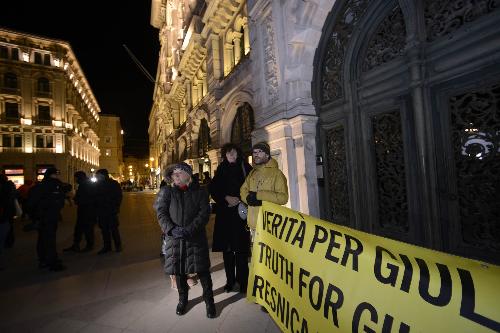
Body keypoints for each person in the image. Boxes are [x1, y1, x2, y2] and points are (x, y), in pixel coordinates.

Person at [154, 162, 216, 318]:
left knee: (202, 270)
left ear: (188, 173)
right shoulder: (166, 192)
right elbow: (161, 213)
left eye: (180, 171)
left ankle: (209, 301)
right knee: (179, 271)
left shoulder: (200, 192)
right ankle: (183, 300)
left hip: (195, 238)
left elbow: (204, 214)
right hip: (175, 239)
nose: (176, 174)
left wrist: (189, 229)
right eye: (173, 172)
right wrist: (172, 229)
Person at [209, 143, 252, 293]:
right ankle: (230, 281)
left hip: (241, 215)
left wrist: (240, 199)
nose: (232, 156)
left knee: (241, 250)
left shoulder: (246, 168)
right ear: (225, 155)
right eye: (229, 154)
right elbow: (213, 189)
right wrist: (225, 197)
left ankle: (243, 282)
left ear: (238, 154)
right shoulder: (221, 169)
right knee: (227, 251)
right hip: (225, 215)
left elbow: (252, 188)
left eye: (234, 153)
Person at [28, 168, 72, 271]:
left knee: (43, 239)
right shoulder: (53, 185)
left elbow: (31, 203)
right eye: (56, 174)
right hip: (48, 216)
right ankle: (52, 262)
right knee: (49, 239)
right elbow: (66, 189)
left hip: (43, 216)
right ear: (52, 175)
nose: (57, 176)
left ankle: (43, 260)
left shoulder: (40, 186)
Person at [240, 142, 289, 231]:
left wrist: (259, 196)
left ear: (267, 155)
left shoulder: (277, 173)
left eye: (260, 151)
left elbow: (283, 198)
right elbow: (243, 190)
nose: (256, 154)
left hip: (270, 226)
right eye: (254, 152)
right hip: (253, 224)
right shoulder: (252, 173)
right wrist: (248, 199)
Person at [63, 171, 96, 253]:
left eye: (76, 178)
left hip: (87, 211)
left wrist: (74, 198)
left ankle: (89, 245)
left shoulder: (84, 186)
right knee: (79, 228)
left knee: (87, 229)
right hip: (85, 211)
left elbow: (84, 199)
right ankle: (76, 245)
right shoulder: (86, 184)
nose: (75, 180)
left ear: (79, 178)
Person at [95, 169, 122, 254]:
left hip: (110, 210)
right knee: (104, 229)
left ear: (102, 175)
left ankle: (117, 246)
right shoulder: (98, 185)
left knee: (113, 229)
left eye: (98, 176)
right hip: (102, 210)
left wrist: (115, 206)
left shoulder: (113, 184)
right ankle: (107, 246)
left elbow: (118, 197)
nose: (97, 177)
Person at [0, 174, 16, 269]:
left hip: (4, 213)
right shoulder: (11, 186)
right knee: (8, 226)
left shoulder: (3, 189)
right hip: (9, 212)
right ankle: (9, 241)